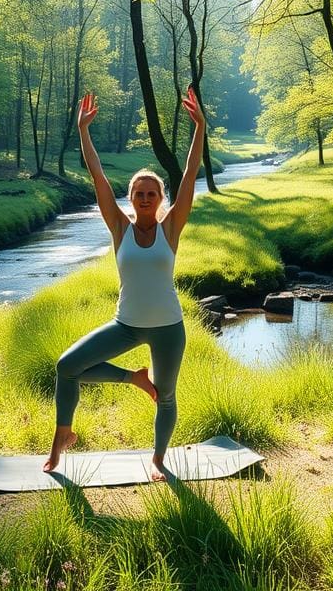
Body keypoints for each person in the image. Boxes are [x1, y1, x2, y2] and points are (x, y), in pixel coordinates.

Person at [43, 87, 206, 481]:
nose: (145, 198)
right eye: (139, 194)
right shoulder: (119, 226)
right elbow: (97, 175)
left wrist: (200, 127)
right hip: (127, 324)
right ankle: (64, 434)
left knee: (165, 396)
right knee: (68, 367)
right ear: (130, 198)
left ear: (161, 198)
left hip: (168, 328)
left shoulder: (171, 227)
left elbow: (189, 176)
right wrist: (84, 131)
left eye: (152, 194)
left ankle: (158, 460)